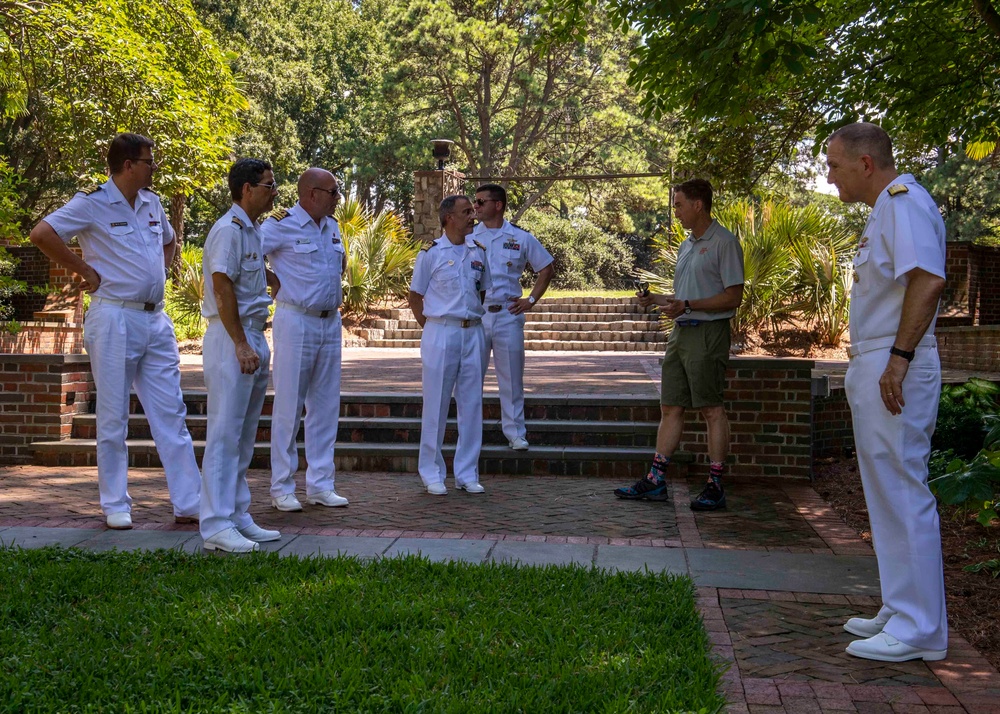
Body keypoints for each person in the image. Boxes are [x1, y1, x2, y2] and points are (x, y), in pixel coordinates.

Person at [29, 133, 200, 531]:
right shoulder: (91, 203)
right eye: (148, 161)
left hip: (155, 320)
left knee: (171, 413)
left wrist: (155, 278)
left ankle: (189, 502)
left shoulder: (152, 203)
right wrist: (84, 270)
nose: (153, 168)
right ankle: (115, 503)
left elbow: (170, 243)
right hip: (114, 318)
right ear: (128, 165)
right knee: (112, 415)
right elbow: (41, 234)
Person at [825, 122, 948, 662]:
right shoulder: (885, 210)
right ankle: (901, 608)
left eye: (833, 165)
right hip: (876, 357)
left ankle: (920, 628)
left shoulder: (902, 202)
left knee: (902, 489)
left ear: (866, 163)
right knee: (885, 491)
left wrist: (898, 359)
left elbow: (928, 279)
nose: (829, 176)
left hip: (893, 360)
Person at [613, 178, 744, 511]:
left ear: (698, 204)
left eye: (679, 204)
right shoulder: (687, 245)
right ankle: (656, 482)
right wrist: (656, 299)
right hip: (681, 333)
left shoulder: (724, 242)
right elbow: (686, 296)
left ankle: (715, 485)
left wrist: (687, 306)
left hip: (708, 334)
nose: (676, 211)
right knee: (670, 407)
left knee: (711, 410)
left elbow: (734, 296)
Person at [199, 158, 282, 553]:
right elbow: (221, 287)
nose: (273, 191)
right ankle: (215, 524)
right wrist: (239, 343)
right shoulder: (228, 231)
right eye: (268, 185)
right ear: (246, 189)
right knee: (224, 434)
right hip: (232, 338)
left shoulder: (253, 231)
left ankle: (236, 513)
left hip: (251, 334)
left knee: (244, 435)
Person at [261, 168, 349, 512]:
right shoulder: (280, 224)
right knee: (288, 406)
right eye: (333, 192)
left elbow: (337, 268)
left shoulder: (332, 226)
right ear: (311, 194)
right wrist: (272, 278)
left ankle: (321, 485)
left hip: (329, 322)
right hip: (296, 320)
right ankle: (282, 486)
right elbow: (247, 255)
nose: (337, 198)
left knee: (326, 406)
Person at [408, 195, 491, 495]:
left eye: (473, 211)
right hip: (441, 332)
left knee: (472, 405)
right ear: (448, 218)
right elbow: (415, 296)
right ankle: (431, 471)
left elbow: (480, 292)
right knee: (436, 405)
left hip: (473, 333)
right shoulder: (431, 253)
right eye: (466, 212)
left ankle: (467, 473)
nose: (473, 216)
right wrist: (432, 327)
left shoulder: (479, 251)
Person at [472, 183, 555, 450]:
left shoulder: (520, 237)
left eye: (481, 202)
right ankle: (471, 433)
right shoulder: (470, 236)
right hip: (477, 315)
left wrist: (530, 300)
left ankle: (515, 433)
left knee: (511, 377)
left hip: (508, 313)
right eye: (475, 202)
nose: (476, 207)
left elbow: (546, 268)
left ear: (498, 205)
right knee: (471, 377)